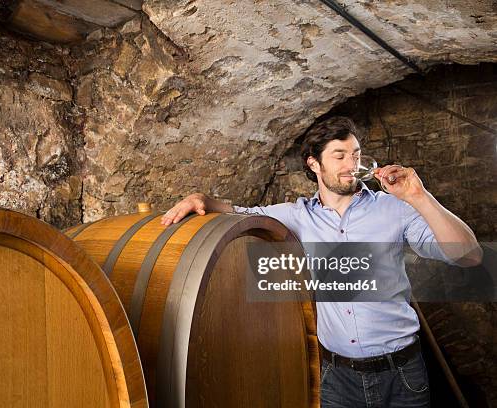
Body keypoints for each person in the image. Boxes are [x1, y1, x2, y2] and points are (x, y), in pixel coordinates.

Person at [160, 116, 482, 407]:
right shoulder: (295, 216)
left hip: (402, 372)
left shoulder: (393, 208)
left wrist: (418, 196)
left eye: (355, 155)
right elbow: (239, 213)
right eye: (339, 156)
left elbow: (469, 255)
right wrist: (202, 199)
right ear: (314, 164)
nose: (351, 165)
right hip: (338, 378)